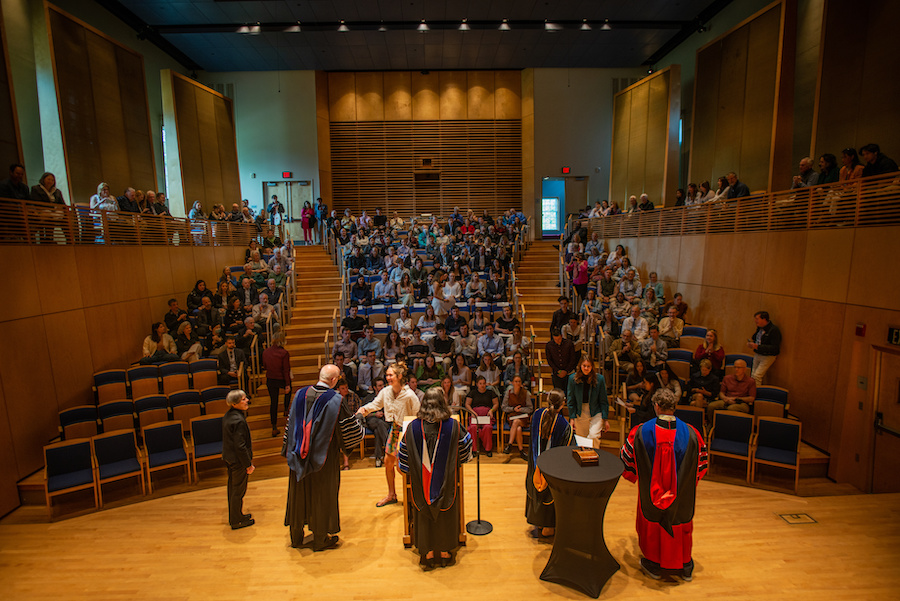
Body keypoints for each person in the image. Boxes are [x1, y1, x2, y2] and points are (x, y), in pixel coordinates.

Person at [620, 388, 707, 581]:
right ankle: (684, 565)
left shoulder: (641, 431)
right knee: (680, 521)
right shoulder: (692, 433)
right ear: (674, 407)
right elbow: (702, 465)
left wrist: (637, 475)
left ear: (656, 406)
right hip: (682, 496)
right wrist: (684, 484)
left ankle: (654, 564)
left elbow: (627, 462)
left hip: (651, 494)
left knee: (653, 522)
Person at [283, 364, 364, 551]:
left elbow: (290, 424)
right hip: (324, 458)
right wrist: (360, 421)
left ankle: (296, 537)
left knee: (298, 494)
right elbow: (349, 431)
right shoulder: (336, 400)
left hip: (298, 455)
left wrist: (290, 450)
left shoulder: (299, 394)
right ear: (334, 380)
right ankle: (320, 539)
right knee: (322, 495)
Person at [398, 388, 473, 568]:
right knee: (445, 511)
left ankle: (428, 552)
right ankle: (446, 550)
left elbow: (403, 457)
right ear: (442, 403)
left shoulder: (413, 428)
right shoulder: (453, 426)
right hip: (446, 485)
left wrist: (413, 472)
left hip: (421, 486)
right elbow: (466, 448)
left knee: (424, 511)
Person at [357, 362, 421, 506]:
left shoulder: (410, 395)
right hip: (395, 429)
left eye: (390, 375)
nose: (388, 377)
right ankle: (392, 495)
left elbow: (418, 415)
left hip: (408, 432)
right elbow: (375, 405)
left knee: (401, 466)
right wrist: (363, 410)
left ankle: (414, 495)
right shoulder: (386, 392)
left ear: (399, 376)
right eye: (387, 375)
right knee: (388, 462)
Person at [525, 388, 574, 538]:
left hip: (535, 466)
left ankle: (538, 522)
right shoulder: (564, 426)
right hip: (551, 471)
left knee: (536, 488)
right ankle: (548, 527)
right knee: (549, 493)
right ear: (563, 404)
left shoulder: (537, 415)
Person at [223, 389, 255, 530]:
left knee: (233, 489)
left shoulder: (229, 415)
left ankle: (237, 515)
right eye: (243, 399)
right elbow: (240, 446)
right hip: (238, 461)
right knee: (238, 491)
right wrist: (248, 464)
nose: (247, 400)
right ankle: (236, 520)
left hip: (229, 458)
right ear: (235, 403)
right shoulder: (238, 420)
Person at [566, 354, 610, 442]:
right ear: (580, 366)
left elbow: (603, 400)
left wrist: (605, 419)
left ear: (592, 367)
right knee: (582, 440)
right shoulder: (572, 379)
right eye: (584, 366)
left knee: (593, 436)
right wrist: (572, 418)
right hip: (580, 411)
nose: (586, 368)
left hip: (596, 411)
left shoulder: (600, 379)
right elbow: (571, 400)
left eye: (588, 366)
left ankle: (595, 455)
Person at [263, 333, 292, 437]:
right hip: (281, 378)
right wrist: (287, 384)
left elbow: (265, 366)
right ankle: (285, 408)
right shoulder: (284, 353)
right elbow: (286, 370)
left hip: (270, 378)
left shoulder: (266, 352)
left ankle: (274, 426)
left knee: (273, 402)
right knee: (289, 391)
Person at [465, 375, 499, 456]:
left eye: (484, 383)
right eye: (480, 383)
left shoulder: (491, 393)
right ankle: (474, 450)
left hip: (487, 415)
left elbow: (496, 403)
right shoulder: (472, 393)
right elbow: (467, 404)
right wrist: (472, 412)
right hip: (475, 415)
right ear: (477, 384)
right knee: (473, 428)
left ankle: (488, 449)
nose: (482, 385)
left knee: (488, 428)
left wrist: (491, 410)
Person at [501, 375, 533, 458]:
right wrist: (513, 409)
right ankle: (521, 451)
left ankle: (510, 444)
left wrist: (521, 410)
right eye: (516, 381)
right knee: (518, 429)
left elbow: (530, 408)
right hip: (512, 415)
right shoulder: (509, 393)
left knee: (516, 422)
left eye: (519, 381)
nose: (517, 383)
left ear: (521, 383)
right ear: (512, 383)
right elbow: (504, 407)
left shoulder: (525, 393)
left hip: (523, 416)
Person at [746, 310, 781, 385]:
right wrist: (752, 344)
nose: (755, 321)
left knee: (757, 376)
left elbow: (775, 347)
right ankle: (752, 391)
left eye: (757, 319)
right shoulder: (759, 328)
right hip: (758, 353)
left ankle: (756, 393)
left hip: (768, 356)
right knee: (752, 375)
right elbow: (756, 338)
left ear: (764, 319)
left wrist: (759, 347)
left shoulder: (774, 330)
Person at [546, 326, 576, 391]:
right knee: (558, 393)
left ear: (562, 336)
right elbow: (549, 360)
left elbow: (573, 358)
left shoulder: (569, 343)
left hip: (569, 372)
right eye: (555, 340)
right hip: (556, 373)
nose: (557, 341)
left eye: (559, 339)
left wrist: (566, 371)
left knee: (570, 392)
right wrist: (558, 371)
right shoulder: (549, 345)